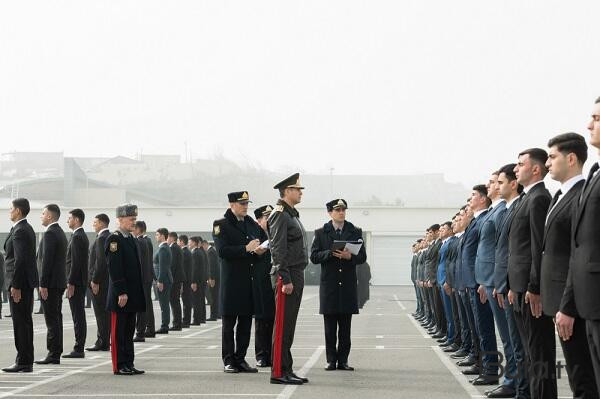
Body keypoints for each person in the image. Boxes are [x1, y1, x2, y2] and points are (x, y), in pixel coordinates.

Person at [543, 133, 599, 398]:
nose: (547, 163)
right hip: (567, 298)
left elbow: (575, 255)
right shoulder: (560, 196)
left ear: (572, 158)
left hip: (578, 301)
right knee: (582, 378)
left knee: (583, 379)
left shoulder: (581, 193)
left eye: (552, 157)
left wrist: (568, 305)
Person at [508, 148, 554, 398]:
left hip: (530, 290)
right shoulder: (527, 198)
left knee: (539, 356)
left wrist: (535, 287)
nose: (516, 169)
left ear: (535, 169)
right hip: (519, 287)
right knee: (529, 353)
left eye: (520, 164)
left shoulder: (539, 199)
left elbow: (539, 248)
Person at [561, 97, 600, 393]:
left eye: (597, 118)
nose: (589, 124)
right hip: (589, 303)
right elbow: (579, 247)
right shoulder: (593, 177)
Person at [310, 198, 367, 371]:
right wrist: (330, 253)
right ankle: (331, 360)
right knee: (329, 327)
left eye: (343, 210)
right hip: (330, 285)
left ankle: (343, 360)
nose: (341, 213)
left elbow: (362, 257)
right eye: (338, 210)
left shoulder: (355, 231)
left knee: (345, 327)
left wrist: (351, 257)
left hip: (348, 285)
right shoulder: (321, 233)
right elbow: (313, 257)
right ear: (330, 213)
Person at [212, 191, 264, 374]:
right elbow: (222, 251)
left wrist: (258, 251)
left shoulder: (250, 223)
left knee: (245, 324)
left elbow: (261, 243)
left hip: (248, 281)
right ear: (231, 204)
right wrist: (245, 248)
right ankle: (228, 360)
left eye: (246, 203)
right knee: (228, 325)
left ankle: (240, 359)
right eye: (242, 203)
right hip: (232, 282)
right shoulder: (221, 225)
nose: (245, 206)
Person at [269, 173, 309, 385]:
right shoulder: (280, 214)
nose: (301, 192)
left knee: (289, 325)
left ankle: (287, 367)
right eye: (297, 189)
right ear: (287, 191)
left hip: (295, 272)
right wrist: (285, 278)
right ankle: (278, 372)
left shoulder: (292, 214)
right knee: (283, 324)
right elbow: (277, 249)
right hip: (287, 274)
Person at [105, 204, 146, 375]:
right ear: (120, 219)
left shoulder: (130, 239)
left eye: (135, 219)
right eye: (131, 219)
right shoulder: (114, 239)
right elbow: (115, 268)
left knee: (128, 331)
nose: (133, 222)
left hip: (132, 294)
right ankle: (119, 364)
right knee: (118, 332)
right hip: (121, 294)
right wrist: (121, 291)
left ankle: (129, 362)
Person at [2, 198, 38, 373]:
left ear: (18, 211)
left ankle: (23, 361)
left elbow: (20, 260)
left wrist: (15, 285)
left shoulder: (21, 230)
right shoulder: (24, 229)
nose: (9, 211)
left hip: (19, 284)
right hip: (23, 283)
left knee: (21, 323)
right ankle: (25, 360)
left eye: (11, 209)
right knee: (24, 322)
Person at [35, 204, 68, 365]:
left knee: (51, 319)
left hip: (51, 284)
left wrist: (43, 283)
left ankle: (53, 353)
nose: (41, 216)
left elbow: (46, 261)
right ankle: (56, 351)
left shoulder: (50, 233)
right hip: (58, 282)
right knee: (56, 317)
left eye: (43, 213)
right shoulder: (60, 232)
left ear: (50, 216)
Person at [252, 205, 276, 368]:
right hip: (260, 281)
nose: (268, 220)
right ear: (258, 220)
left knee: (275, 319)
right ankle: (261, 354)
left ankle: (274, 354)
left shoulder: (277, 233)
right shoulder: (255, 235)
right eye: (265, 217)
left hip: (276, 280)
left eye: (270, 217)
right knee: (261, 320)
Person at [64, 208, 89, 358]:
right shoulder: (78, 235)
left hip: (76, 282)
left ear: (77, 220)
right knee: (78, 314)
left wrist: (71, 282)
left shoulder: (78, 236)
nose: (68, 221)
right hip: (78, 281)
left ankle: (79, 348)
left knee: (78, 315)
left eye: (70, 218)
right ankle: (79, 346)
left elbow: (76, 263)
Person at [86, 214, 111, 352]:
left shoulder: (101, 238)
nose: (93, 224)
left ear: (102, 223)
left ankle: (102, 341)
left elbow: (100, 262)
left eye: (95, 222)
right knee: (104, 313)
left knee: (100, 313)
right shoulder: (110, 237)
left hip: (100, 282)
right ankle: (105, 340)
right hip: (107, 281)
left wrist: (95, 280)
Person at [134, 221, 156, 341]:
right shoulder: (147, 241)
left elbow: (141, 263)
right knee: (147, 305)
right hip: (147, 277)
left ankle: (141, 331)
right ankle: (149, 328)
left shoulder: (141, 241)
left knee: (142, 306)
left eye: (134, 228)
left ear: (139, 229)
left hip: (142, 278)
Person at [154, 228, 172, 334]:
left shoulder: (163, 249)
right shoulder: (164, 247)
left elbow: (163, 266)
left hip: (164, 281)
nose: (156, 236)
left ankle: (164, 326)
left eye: (157, 235)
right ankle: (165, 325)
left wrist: (160, 281)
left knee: (164, 304)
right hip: (164, 280)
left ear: (162, 236)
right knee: (164, 304)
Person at [168, 232, 184, 331]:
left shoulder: (173, 247)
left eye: (168, 237)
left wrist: (170, 278)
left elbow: (172, 264)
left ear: (172, 238)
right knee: (176, 301)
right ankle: (177, 323)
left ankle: (177, 324)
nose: (167, 239)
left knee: (174, 301)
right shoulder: (177, 247)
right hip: (178, 278)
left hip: (175, 278)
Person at [189, 236, 207, 325]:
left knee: (196, 301)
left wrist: (193, 282)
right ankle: (201, 318)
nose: (189, 243)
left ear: (194, 243)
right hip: (201, 280)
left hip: (197, 281)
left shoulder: (195, 253)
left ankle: (196, 320)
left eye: (190, 242)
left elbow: (195, 269)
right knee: (200, 300)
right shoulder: (199, 252)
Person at [203, 239, 221, 321]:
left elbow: (211, 266)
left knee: (213, 297)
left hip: (213, 278)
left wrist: (211, 278)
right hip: (216, 277)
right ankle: (217, 314)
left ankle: (213, 315)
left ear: (205, 244)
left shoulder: (210, 252)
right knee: (215, 296)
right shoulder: (212, 251)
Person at [178, 235, 193, 329]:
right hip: (188, 279)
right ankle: (186, 320)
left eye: (179, 241)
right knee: (187, 301)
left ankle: (186, 321)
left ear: (182, 241)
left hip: (185, 280)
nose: (178, 243)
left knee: (186, 301)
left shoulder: (184, 252)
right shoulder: (188, 252)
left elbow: (183, 268)